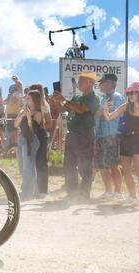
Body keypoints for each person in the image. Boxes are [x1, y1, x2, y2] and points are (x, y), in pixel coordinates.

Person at [103, 82, 139, 207]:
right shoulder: (126, 106)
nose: (129, 95)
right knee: (126, 170)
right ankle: (132, 196)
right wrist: (105, 109)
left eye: (132, 92)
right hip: (126, 139)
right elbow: (109, 118)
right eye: (128, 92)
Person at [53, 71, 100, 201]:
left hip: (84, 134)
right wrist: (58, 102)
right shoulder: (77, 97)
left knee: (84, 165)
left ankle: (84, 195)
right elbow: (63, 110)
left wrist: (63, 100)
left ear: (90, 82)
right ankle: (72, 193)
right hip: (73, 134)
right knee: (69, 164)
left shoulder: (94, 98)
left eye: (82, 80)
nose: (79, 83)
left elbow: (81, 109)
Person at [94, 73, 125, 202]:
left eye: (103, 82)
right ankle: (108, 191)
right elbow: (99, 114)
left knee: (112, 164)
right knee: (102, 165)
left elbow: (109, 115)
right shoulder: (102, 99)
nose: (100, 85)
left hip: (112, 135)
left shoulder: (117, 97)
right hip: (101, 136)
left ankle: (117, 192)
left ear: (111, 83)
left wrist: (101, 112)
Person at [14, 90, 42, 201]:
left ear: (35, 100)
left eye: (29, 98)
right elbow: (16, 124)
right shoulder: (23, 110)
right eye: (26, 98)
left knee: (28, 167)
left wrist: (29, 117)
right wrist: (22, 115)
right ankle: (28, 189)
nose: (26, 100)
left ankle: (29, 191)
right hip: (21, 139)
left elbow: (33, 129)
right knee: (22, 167)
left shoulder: (38, 113)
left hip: (31, 141)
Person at [29, 83, 52, 195]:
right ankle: (34, 189)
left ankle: (42, 190)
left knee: (41, 163)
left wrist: (39, 127)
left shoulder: (44, 105)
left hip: (41, 136)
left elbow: (49, 123)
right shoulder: (30, 106)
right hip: (32, 137)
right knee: (32, 163)